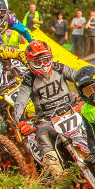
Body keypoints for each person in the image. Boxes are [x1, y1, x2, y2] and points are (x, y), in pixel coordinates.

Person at [13, 41, 77, 180]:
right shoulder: (28, 80)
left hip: (72, 110)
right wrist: (22, 122)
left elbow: (79, 77)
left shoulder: (59, 68)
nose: (43, 65)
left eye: (46, 60)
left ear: (51, 58)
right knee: (41, 134)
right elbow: (19, 104)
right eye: (38, 62)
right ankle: (60, 177)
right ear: (30, 63)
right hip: (49, 121)